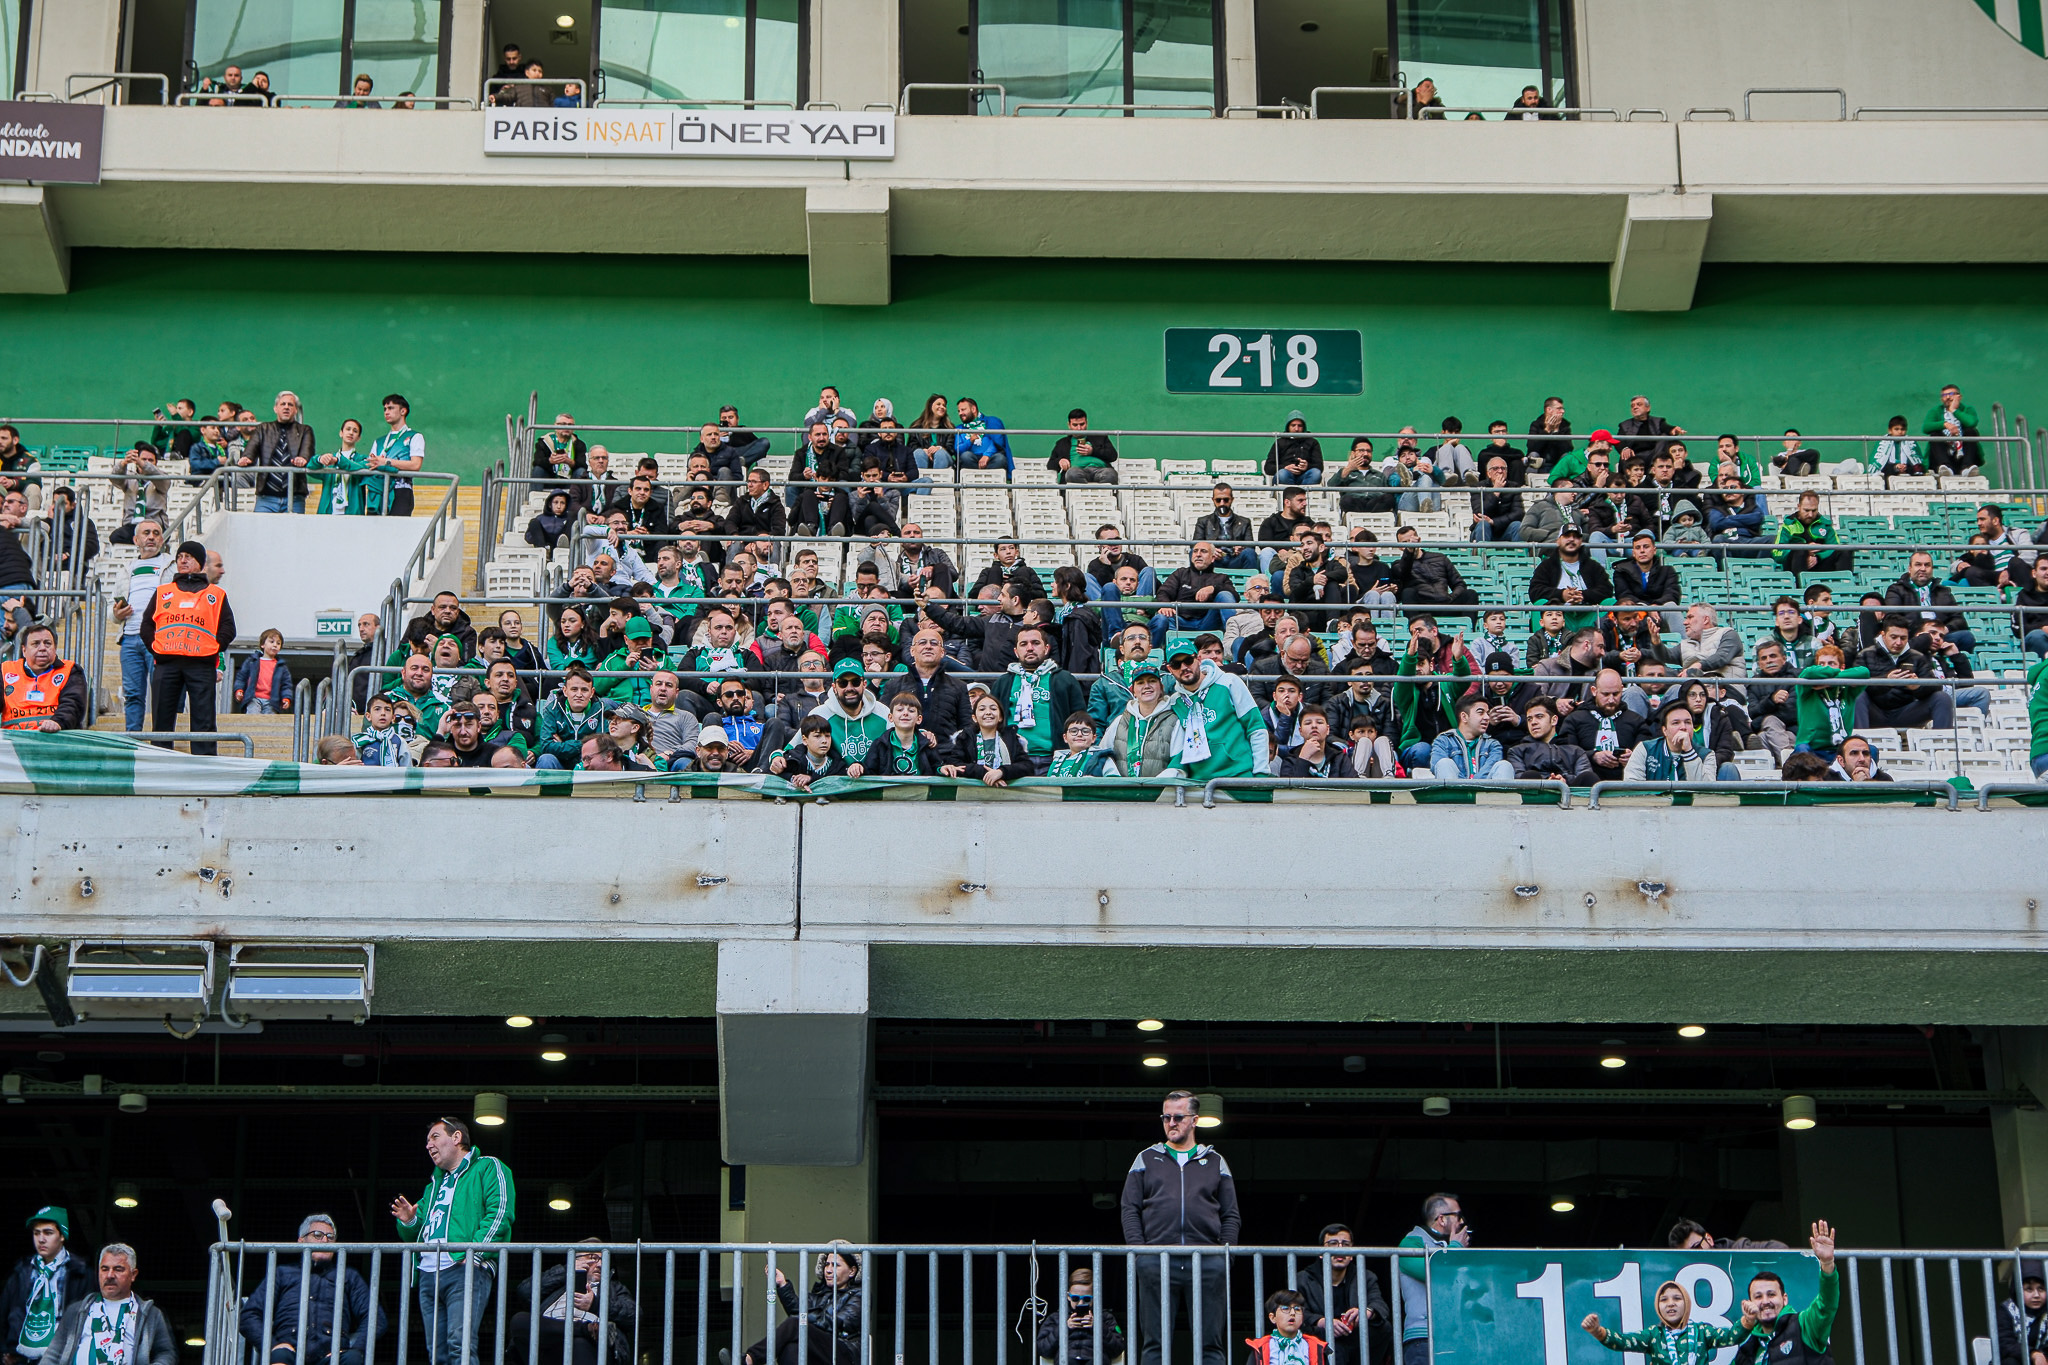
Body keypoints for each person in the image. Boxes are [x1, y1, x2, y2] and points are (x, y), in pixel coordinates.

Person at [1121, 1091, 1238, 1365]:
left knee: (1211, 1344)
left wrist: (1224, 1257)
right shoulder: (1145, 1158)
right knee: (1155, 1345)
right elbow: (1129, 1209)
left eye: (1178, 1117)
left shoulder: (1216, 1161)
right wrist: (1141, 1255)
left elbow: (1231, 1214)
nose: (1171, 1123)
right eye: (1166, 1117)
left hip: (1207, 1262)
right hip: (1156, 1260)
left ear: (1194, 1120)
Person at [391, 1117, 514, 1365]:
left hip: (464, 1268)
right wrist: (409, 1220)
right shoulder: (433, 1186)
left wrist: (473, 1254)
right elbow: (415, 1233)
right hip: (428, 1274)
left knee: (460, 1346)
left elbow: (500, 1213)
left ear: (456, 1137)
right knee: (436, 1354)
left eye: (435, 1137)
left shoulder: (488, 1166)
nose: (429, 1145)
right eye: (427, 1141)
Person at [238, 1215, 383, 1365]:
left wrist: (356, 1348)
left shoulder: (348, 1277)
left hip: (332, 1356)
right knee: (279, 1356)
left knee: (352, 1359)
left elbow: (376, 1318)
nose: (325, 1241)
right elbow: (249, 1315)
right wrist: (272, 1345)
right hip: (289, 1354)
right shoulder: (282, 1274)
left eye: (330, 1237)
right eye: (317, 1235)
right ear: (301, 1240)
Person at [140, 540, 235, 754]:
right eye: (179, 557)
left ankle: (204, 762)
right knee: (162, 719)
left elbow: (228, 628)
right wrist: (156, 648)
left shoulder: (216, 594)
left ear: (200, 563)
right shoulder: (163, 591)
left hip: (201, 664)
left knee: (204, 719)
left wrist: (213, 647)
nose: (183, 560)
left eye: (188, 557)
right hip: (167, 663)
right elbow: (147, 624)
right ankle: (161, 760)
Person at [1730, 1221, 1839, 1365]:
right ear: (1749, 1303)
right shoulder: (1747, 1350)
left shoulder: (1804, 1326)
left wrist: (1827, 1263)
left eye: (1771, 1294)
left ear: (1785, 1299)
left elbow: (1826, 1304)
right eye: (1758, 1296)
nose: (1765, 1301)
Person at [40, 1247, 172, 1365]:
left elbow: (166, 1353)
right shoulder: (77, 1311)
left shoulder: (150, 1314)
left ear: (133, 1275)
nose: (110, 1275)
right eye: (105, 1269)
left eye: (118, 1269)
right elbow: (53, 1353)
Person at [508, 1242, 635, 1365]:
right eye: (592, 1258)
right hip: (548, 1344)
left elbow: (633, 1315)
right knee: (519, 1320)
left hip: (591, 1348)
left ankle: (587, 1332)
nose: (600, 1264)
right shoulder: (558, 1285)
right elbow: (525, 1292)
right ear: (577, 1259)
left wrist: (595, 1305)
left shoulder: (614, 1288)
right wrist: (566, 1270)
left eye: (604, 1260)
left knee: (580, 1343)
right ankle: (585, 1329)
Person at [1164, 640, 1271, 781]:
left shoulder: (1229, 682)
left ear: (1199, 659)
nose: (1184, 667)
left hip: (1238, 776)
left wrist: (1261, 772)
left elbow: (1256, 728)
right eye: (1176, 664)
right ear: (1170, 669)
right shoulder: (1175, 702)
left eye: (1188, 660)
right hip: (1197, 782)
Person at [1581, 1281, 1756, 1365]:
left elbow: (1731, 1337)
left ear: (1687, 1304)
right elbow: (1623, 1341)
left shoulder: (1702, 1331)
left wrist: (1748, 1319)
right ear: (1658, 1307)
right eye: (1664, 1300)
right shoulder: (1653, 1335)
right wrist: (1598, 1331)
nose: (1670, 1304)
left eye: (1677, 1298)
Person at [740, 1246, 862, 1365]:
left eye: (836, 1265)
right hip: (819, 1352)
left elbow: (836, 1323)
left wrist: (804, 1319)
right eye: (827, 1264)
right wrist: (782, 1284)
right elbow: (797, 1312)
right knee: (790, 1348)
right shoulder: (818, 1294)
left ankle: (750, 1359)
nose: (828, 1270)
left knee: (796, 1324)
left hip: (844, 1353)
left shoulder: (859, 1295)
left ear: (852, 1271)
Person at [2, 1207, 91, 1365]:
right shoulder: (21, 1271)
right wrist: (6, 1349)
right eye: (36, 1233)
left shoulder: (80, 1273)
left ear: (62, 1235)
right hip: (21, 1358)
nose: (41, 1239)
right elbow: (4, 1312)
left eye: (48, 1233)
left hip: (63, 1358)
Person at [1296, 1226, 1387, 1365]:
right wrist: (1321, 1321)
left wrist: (1366, 1312)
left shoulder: (1365, 1276)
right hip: (1320, 1336)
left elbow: (1379, 1304)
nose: (1340, 1249)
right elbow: (1296, 1311)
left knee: (1385, 1328)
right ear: (1320, 1253)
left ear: (1352, 1254)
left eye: (1345, 1244)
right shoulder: (1303, 1278)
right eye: (1333, 1244)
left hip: (1353, 1336)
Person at [1395, 1195, 1467, 1365]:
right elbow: (1437, 1273)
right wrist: (1455, 1248)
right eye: (1458, 1216)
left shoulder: (1449, 1244)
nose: (1462, 1221)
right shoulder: (1411, 1242)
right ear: (1441, 1219)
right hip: (1423, 1337)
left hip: (1456, 1336)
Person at [237, 391, 316, 515]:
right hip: (266, 497)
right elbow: (252, 447)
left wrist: (303, 458)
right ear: (275, 408)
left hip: (295, 497)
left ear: (295, 410)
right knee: (260, 527)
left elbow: (308, 449)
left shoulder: (305, 430)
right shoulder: (263, 428)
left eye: (290, 405)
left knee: (294, 528)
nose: (286, 407)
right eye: (283, 404)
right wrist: (247, 457)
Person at [1, 626, 87, 733]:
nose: (42, 648)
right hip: (13, 737)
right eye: (36, 644)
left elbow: (73, 705)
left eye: (47, 643)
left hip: (54, 736)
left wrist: (58, 722)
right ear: (24, 650)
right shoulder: (5, 670)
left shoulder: (70, 670)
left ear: (55, 648)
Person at [1039, 1266, 1124, 1365]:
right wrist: (1064, 1328)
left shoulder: (1105, 1317)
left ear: (1095, 1297)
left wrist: (1098, 1327)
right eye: (1075, 1298)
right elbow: (1042, 1349)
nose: (1080, 1303)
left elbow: (1118, 1349)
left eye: (1087, 1299)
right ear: (1068, 1297)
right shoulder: (1056, 1317)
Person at [1430, 694, 1515, 780]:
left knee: (1504, 765)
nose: (1487, 717)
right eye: (1481, 713)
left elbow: (1488, 771)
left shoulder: (1492, 744)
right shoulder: (1444, 740)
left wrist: (1472, 785)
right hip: (1455, 787)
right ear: (1464, 717)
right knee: (1444, 763)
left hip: (1484, 788)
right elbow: (1437, 767)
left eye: (1487, 713)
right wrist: (1465, 785)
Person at [1772, 491, 1851, 578]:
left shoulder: (1825, 525)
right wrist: (1805, 550)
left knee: (1845, 550)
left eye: (1814, 510)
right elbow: (1777, 553)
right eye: (1806, 510)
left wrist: (1819, 555)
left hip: (1820, 563)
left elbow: (1835, 547)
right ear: (1799, 507)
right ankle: (1800, 584)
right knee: (1799, 548)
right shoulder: (1788, 526)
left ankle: (1843, 582)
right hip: (1795, 566)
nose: (1810, 514)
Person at [1243, 1291, 1323, 1365]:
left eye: (1297, 1309)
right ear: (1272, 1317)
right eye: (1285, 1308)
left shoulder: (1316, 1346)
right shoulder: (1260, 1347)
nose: (1293, 1313)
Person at [1995, 1260, 2046, 1365]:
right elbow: (2005, 1344)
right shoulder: (2007, 1310)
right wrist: (2033, 1354)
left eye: (2041, 1289)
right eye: (2029, 1289)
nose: (2036, 1295)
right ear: (2017, 1289)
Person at [1922, 384, 1981, 474]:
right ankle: (1946, 468)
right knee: (1935, 435)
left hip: (1963, 454)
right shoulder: (1936, 411)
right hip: (1943, 456)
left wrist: (1954, 410)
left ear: (1959, 397)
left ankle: (1967, 468)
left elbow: (1971, 422)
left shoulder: (1967, 409)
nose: (1948, 397)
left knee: (1971, 432)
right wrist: (1945, 424)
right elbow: (1926, 427)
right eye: (1944, 395)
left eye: (1951, 394)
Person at [1050, 409, 1119, 484]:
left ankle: (1094, 490)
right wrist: (1059, 461)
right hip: (1077, 471)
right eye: (1075, 425)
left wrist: (1093, 451)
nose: (1079, 428)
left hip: (1101, 470)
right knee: (1072, 473)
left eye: (1082, 424)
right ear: (1069, 425)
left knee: (1111, 474)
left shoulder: (1100, 437)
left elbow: (1113, 456)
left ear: (1086, 423)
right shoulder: (1062, 443)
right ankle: (1089, 490)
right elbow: (1050, 464)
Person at [953, 398, 1011, 475]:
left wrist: (987, 455)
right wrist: (970, 441)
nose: (960, 413)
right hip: (971, 461)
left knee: (1000, 458)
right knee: (965, 456)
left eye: (963, 410)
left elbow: (998, 443)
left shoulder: (991, 422)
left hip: (990, 458)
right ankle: (977, 477)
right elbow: (957, 450)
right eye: (959, 411)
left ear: (973, 409)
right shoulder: (959, 428)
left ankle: (986, 478)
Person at [1267, 412, 1323, 486]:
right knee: (1282, 474)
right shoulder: (1280, 442)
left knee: (1315, 473)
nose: (1296, 429)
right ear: (1288, 427)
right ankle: (1294, 492)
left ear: (1304, 427)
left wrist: (1307, 466)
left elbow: (1320, 467)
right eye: (1293, 425)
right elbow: (1268, 468)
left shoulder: (1312, 442)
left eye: (1300, 426)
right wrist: (1285, 467)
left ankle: (1301, 492)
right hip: (1285, 477)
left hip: (1305, 477)